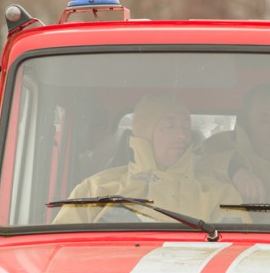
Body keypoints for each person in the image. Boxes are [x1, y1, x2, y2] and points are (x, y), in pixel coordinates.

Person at [54, 93, 239, 224]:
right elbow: (60, 250)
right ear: (145, 133)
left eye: (185, 126)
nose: (182, 135)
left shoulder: (219, 194)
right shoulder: (95, 189)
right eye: (170, 126)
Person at [196, 84, 270, 203]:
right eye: (264, 122)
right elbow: (193, 165)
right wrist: (231, 170)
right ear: (246, 122)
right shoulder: (218, 146)